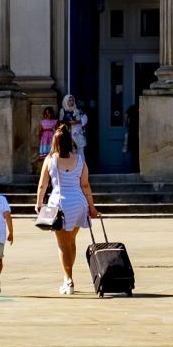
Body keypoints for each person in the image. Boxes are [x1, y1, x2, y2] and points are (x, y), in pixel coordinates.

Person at [35, 123, 99, 295]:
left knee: (62, 244)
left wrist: (39, 203)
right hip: (78, 204)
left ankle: (68, 280)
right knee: (71, 241)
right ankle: (68, 277)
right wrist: (92, 208)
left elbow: (43, 185)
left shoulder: (50, 160)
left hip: (59, 205)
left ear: (54, 143)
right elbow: (85, 186)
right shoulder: (79, 160)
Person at [59, 95, 89, 160]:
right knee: (69, 152)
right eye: (69, 100)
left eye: (72, 100)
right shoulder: (62, 111)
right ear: (66, 101)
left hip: (78, 134)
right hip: (67, 134)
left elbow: (85, 118)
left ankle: (81, 168)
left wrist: (77, 122)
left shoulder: (78, 110)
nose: (71, 102)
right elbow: (60, 122)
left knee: (80, 153)